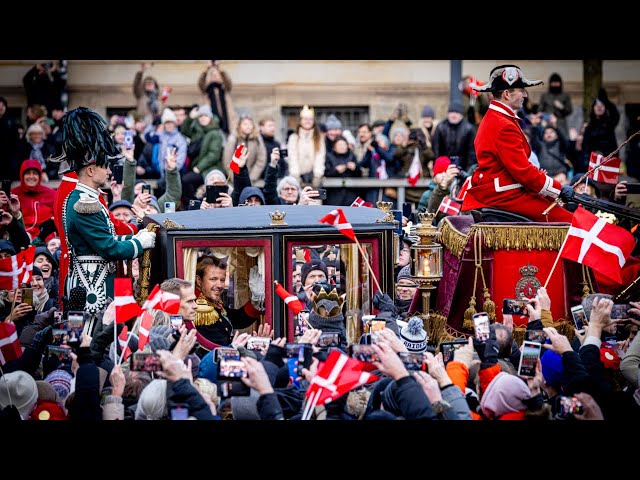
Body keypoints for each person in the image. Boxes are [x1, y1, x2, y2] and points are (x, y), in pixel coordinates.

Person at [52, 107, 156, 314]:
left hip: (94, 278)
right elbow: (108, 246)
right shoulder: (83, 202)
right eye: (104, 166)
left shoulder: (87, 196)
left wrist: (135, 235)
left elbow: (109, 233)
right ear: (90, 170)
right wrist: (139, 242)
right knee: (91, 337)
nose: (109, 171)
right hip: (92, 284)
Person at [461, 65, 574, 222]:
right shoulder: (503, 124)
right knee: (567, 220)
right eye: (521, 90)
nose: (525, 95)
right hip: (506, 194)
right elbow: (523, 172)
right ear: (507, 94)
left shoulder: (497, 118)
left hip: (503, 190)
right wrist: (557, 188)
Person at [193, 255, 264, 347]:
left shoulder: (209, 301)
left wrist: (256, 300)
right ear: (198, 280)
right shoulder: (200, 309)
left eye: (222, 280)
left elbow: (236, 319)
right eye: (213, 279)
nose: (219, 285)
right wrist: (258, 345)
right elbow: (221, 346)